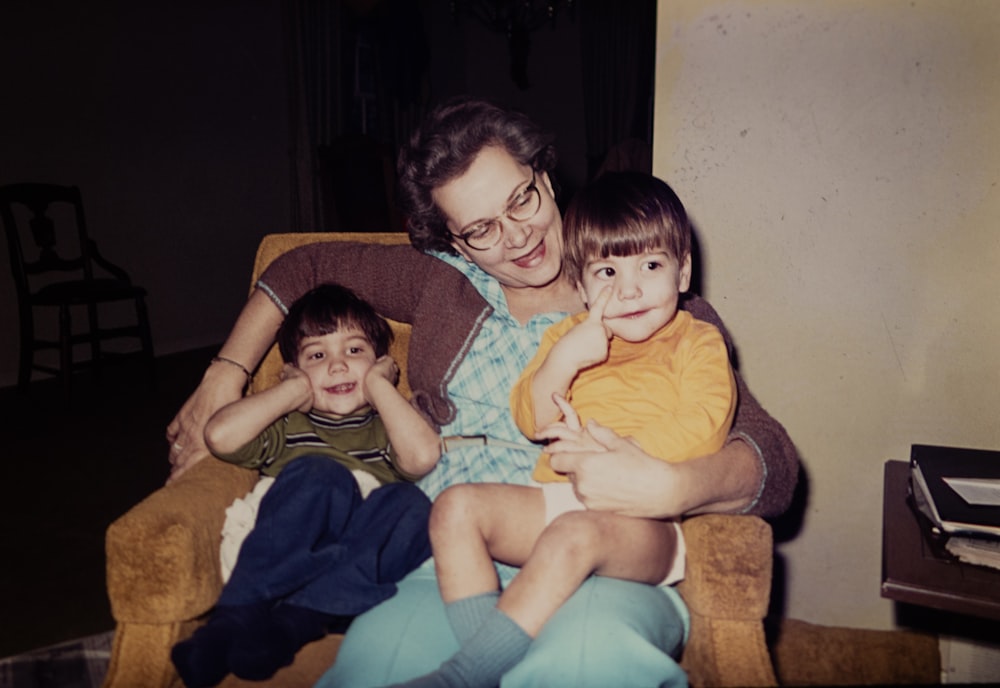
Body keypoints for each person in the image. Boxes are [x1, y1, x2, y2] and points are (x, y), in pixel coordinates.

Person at [166, 96, 799, 687]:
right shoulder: (441, 284)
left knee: (589, 667)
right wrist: (224, 374)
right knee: (375, 666)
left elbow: (771, 461)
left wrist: (675, 486)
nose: (517, 237)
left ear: (545, 177)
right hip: (451, 552)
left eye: (521, 200)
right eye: (481, 230)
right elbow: (298, 266)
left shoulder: (642, 296)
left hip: (600, 553)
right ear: (452, 241)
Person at [396, 171, 737, 688]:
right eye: (606, 271)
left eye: (650, 265)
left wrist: (620, 452)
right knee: (454, 507)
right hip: (556, 501)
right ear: (579, 285)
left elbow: (707, 424)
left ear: (683, 271)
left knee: (573, 533)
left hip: (647, 524)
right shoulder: (565, 335)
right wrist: (565, 359)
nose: (629, 288)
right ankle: (488, 656)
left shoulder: (698, 340)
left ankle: (463, 677)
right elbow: (530, 419)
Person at [171, 283, 441, 687]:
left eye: (354, 351)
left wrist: (381, 388)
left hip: (351, 568)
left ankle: (293, 625)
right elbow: (220, 435)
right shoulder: (288, 425)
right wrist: (293, 389)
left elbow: (422, 458)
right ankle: (230, 623)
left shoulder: (390, 425)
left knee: (414, 505)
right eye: (317, 355)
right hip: (281, 554)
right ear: (294, 369)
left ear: (382, 363)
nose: (337, 366)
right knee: (321, 475)